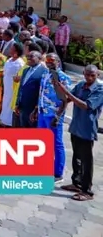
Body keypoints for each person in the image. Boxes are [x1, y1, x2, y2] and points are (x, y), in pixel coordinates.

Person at [55, 65, 103, 201]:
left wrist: (67, 92)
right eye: (87, 75)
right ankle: (76, 183)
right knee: (76, 156)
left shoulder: (99, 89)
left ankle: (87, 191)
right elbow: (67, 99)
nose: (89, 78)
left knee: (86, 160)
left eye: (92, 75)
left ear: (97, 75)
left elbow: (86, 105)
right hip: (76, 126)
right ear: (83, 73)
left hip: (87, 129)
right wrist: (59, 89)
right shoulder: (81, 85)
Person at [38, 54, 71, 182]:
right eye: (47, 60)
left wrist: (58, 116)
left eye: (51, 60)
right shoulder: (45, 74)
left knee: (56, 143)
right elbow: (41, 93)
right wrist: (36, 109)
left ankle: (58, 173)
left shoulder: (63, 77)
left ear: (58, 61)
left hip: (54, 114)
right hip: (42, 112)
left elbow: (65, 99)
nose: (49, 62)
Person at [15, 51, 47, 128]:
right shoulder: (25, 70)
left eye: (31, 56)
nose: (28, 58)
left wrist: (37, 107)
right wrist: (17, 103)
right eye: (27, 56)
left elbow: (42, 92)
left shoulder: (44, 72)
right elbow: (21, 87)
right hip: (23, 106)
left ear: (39, 58)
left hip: (33, 108)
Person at [0, 43, 25, 127]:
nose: (10, 49)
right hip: (6, 84)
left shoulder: (20, 62)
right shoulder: (9, 60)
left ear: (16, 51)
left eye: (12, 48)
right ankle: (4, 120)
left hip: (13, 86)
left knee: (10, 102)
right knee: (5, 101)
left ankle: (9, 122)